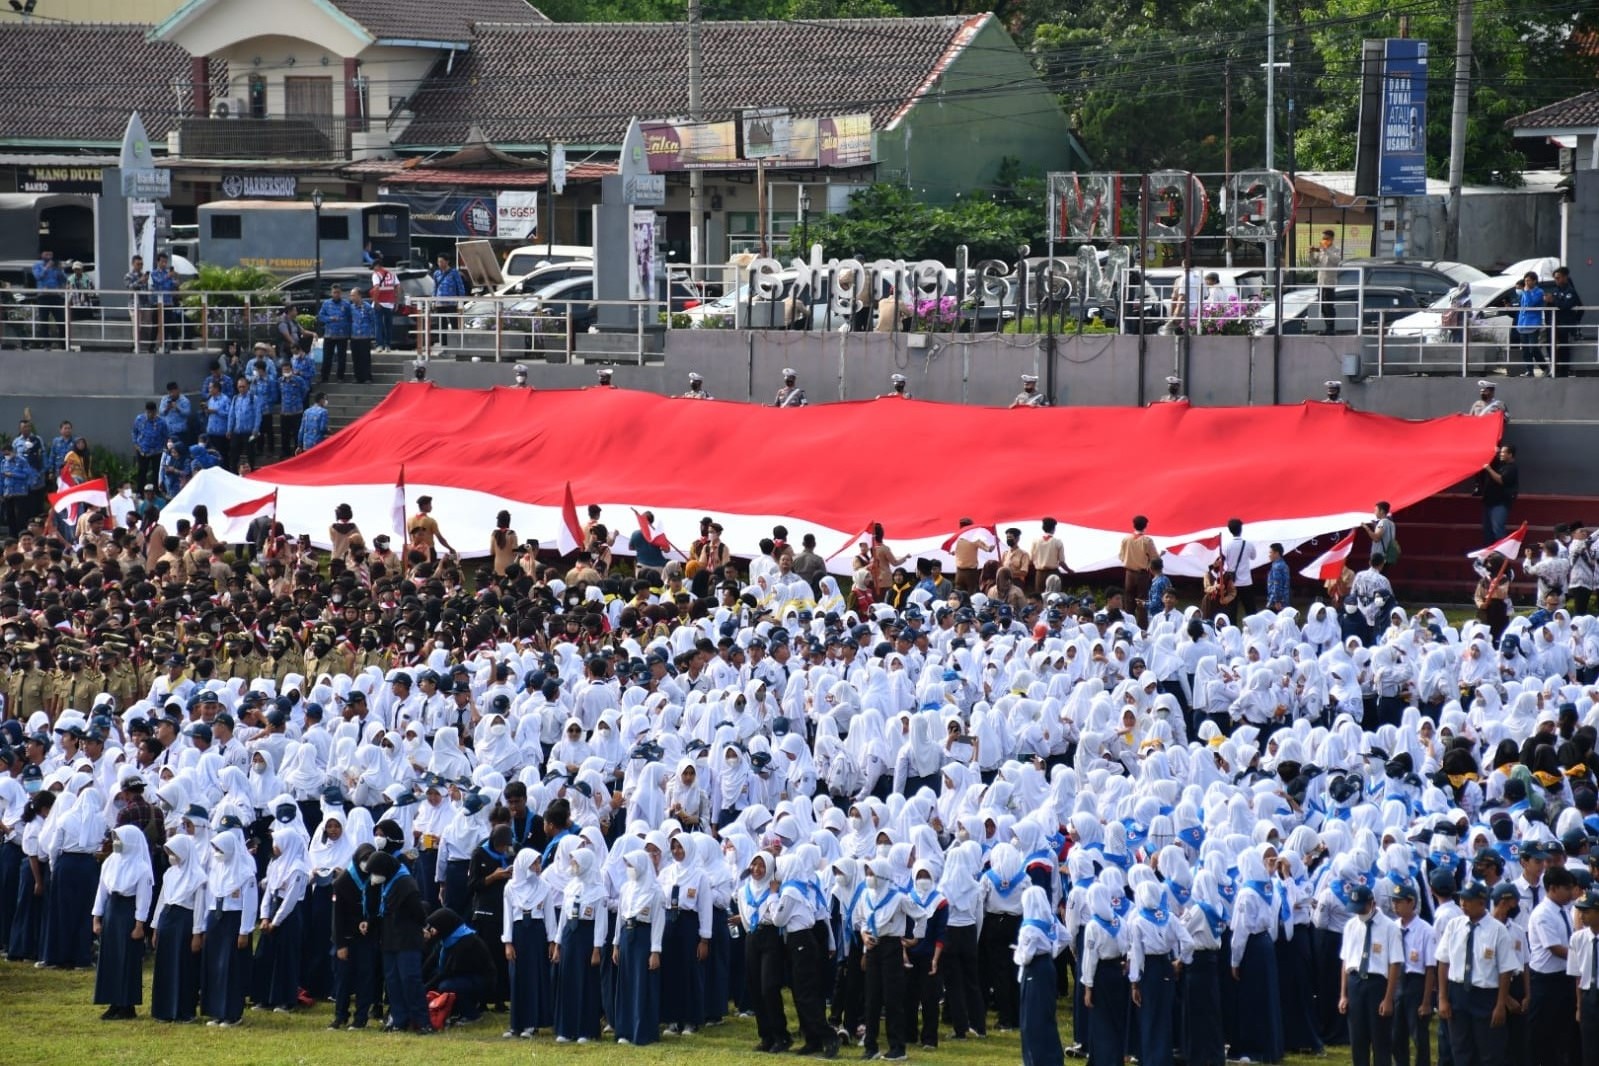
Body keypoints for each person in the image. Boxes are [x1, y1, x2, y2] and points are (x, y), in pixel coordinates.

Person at [1437, 881, 1517, 1066]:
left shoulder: (1498, 930)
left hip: (1485, 995)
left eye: (1468, 900)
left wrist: (1500, 1004)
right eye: (1461, 899)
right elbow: (1443, 961)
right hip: (1458, 992)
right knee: (1460, 1048)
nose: (1463, 904)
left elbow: (1506, 970)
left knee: (1488, 1051)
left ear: (1481, 902)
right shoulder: (1454, 925)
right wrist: (1442, 997)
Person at [92, 825, 154, 1020]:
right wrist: (97, 917)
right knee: (110, 957)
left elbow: (144, 899)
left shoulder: (142, 868)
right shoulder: (110, 861)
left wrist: (139, 924)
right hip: (112, 909)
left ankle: (127, 1005)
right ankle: (112, 1002)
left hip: (128, 913)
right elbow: (101, 891)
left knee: (127, 958)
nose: (116, 843)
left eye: (120, 839)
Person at [367, 849, 433, 1033]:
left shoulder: (406, 884)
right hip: (389, 938)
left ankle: (422, 1021)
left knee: (410, 979)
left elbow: (418, 913)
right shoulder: (387, 881)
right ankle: (399, 1019)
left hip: (407, 939)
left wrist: (425, 927)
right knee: (393, 981)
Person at [1339, 883, 1401, 1066]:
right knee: (1358, 1039)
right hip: (1355, 982)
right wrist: (1343, 994)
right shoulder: (1351, 925)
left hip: (1377, 984)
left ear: (1372, 904)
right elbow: (1346, 961)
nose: (1359, 913)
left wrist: (1388, 998)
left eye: (1362, 908)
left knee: (1380, 1039)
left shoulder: (1389, 927)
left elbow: (1394, 964)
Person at [150, 834, 208, 1023]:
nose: (171, 856)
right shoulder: (169, 873)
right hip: (168, 919)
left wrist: (197, 933)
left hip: (185, 921)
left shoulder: (198, 877)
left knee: (184, 966)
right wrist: (156, 927)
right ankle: (164, 1009)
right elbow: (161, 900)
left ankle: (184, 1010)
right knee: (165, 965)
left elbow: (199, 907)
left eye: (174, 852)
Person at [611, 848, 664, 1045]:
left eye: (632, 865)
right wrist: (616, 944)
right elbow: (619, 918)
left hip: (644, 937)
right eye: (628, 866)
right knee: (626, 983)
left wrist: (655, 950)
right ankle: (624, 1029)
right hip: (627, 934)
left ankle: (642, 1031)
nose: (629, 869)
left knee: (642, 984)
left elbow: (658, 921)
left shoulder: (655, 891)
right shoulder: (626, 888)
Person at [502, 848, 555, 1039]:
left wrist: (551, 940)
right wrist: (508, 942)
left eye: (539, 863)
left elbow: (549, 915)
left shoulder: (544, 887)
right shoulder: (510, 887)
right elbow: (507, 916)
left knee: (534, 976)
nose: (537, 868)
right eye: (534, 864)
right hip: (518, 933)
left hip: (536, 932)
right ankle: (516, 1023)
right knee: (517, 977)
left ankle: (532, 1023)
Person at [1016, 884, 1065, 1066]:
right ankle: (1053, 1058)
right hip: (1048, 967)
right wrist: (1052, 951)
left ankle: (1035, 1059)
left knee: (1031, 1019)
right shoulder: (1050, 920)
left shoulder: (1028, 927)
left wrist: (1018, 955)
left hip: (1034, 970)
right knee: (1046, 1015)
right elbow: (1065, 937)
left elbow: (1026, 956)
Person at [423, 906, 496, 1025]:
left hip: (481, 980)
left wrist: (424, 988)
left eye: (434, 928)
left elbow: (447, 972)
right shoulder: (447, 940)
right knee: (435, 976)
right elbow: (430, 962)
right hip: (463, 976)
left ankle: (472, 1015)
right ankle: (457, 1011)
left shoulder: (466, 942)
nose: (433, 932)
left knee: (446, 986)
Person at [1120, 515, 1157, 627]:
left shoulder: (1126, 539)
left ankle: (1128, 624)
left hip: (1129, 573)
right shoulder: (1147, 541)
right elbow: (1155, 558)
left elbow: (1121, 556)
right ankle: (1142, 626)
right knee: (1142, 601)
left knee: (1129, 600)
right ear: (1145, 526)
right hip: (1142, 574)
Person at [1546, 266, 1583, 375]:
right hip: (1554, 325)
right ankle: (1555, 370)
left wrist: (1554, 300)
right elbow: (1550, 307)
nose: (1556, 280)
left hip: (1565, 325)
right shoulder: (1556, 291)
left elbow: (1566, 305)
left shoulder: (1570, 291)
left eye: (1558, 278)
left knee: (1563, 348)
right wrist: (1549, 301)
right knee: (1552, 347)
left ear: (1565, 277)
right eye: (1555, 278)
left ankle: (1564, 372)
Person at [1479, 443, 1519, 544]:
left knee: (1498, 531)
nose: (1501, 454)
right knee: (1488, 532)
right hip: (1489, 503)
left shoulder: (1511, 468)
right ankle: (1490, 555)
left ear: (1510, 454)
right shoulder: (1500, 464)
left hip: (1500, 504)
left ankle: (1501, 556)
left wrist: (1489, 469)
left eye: (1503, 452)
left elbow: (1501, 480)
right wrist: (1494, 452)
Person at [1514, 272, 1549, 376]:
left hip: (1533, 324)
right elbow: (1522, 306)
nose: (1526, 283)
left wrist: (1527, 292)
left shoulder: (1539, 292)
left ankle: (1545, 367)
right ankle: (1529, 370)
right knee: (1525, 350)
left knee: (1533, 348)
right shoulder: (1524, 292)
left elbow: (1530, 303)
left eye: (1528, 280)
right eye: (1525, 280)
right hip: (1523, 324)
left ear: (1534, 281)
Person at [1310, 229, 1344, 335]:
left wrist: (1326, 250)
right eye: (1323, 238)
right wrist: (1311, 253)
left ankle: (1331, 328)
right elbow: (1313, 263)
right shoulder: (1321, 250)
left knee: (1328, 306)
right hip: (1320, 282)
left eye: (1326, 238)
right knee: (1322, 306)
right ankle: (1327, 327)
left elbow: (1336, 260)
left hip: (1329, 283)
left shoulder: (1336, 250)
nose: (1324, 240)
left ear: (1332, 239)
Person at [30, 248, 67, 345]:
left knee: (61, 320)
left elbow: (63, 280)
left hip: (56, 296)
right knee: (44, 321)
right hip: (43, 296)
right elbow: (38, 277)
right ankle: (46, 344)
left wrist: (60, 270)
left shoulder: (55, 266)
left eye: (50, 254)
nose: (49, 256)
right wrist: (46, 267)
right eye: (47, 254)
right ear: (42, 254)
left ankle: (63, 344)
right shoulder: (37, 265)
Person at [317, 284, 352, 383]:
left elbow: (350, 318)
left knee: (342, 357)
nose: (336, 294)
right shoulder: (326, 304)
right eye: (334, 292)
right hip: (329, 334)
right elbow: (321, 316)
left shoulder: (346, 304)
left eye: (338, 292)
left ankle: (340, 377)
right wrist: (329, 319)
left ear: (341, 293)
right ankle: (324, 377)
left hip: (342, 335)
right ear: (331, 293)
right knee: (327, 357)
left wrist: (348, 330)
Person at [431, 256, 467, 344]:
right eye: (438, 262)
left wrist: (461, 299)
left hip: (451, 302)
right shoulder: (436, 273)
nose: (440, 264)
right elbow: (435, 287)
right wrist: (433, 300)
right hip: (440, 303)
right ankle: (444, 344)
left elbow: (460, 286)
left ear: (447, 262)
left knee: (453, 322)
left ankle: (456, 343)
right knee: (442, 324)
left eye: (442, 261)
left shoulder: (454, 273)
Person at [150, 253, 181, 352]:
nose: (164, 264)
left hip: (168, 302)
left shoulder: (167, 273)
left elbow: (171, 285)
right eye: (162, 261)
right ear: (158, 262)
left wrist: (175, 281)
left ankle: (166, 345)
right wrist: (168, 276)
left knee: (168, 325)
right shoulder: (154, 273)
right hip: (157, 303)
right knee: (156, 325)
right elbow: (158, 282)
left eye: (165, 262)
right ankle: (151, 346)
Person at [370, 253, 398, 352]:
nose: (373, 269)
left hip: (380, 303)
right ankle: (388, 346)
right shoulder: (392, 274)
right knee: (388, 325)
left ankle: (379, 345)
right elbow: (397, 287)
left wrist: (375, 301)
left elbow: (376, 287)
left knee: (378, 324)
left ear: (377, 266)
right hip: (390, 303)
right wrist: (396, 302)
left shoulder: (376, 274)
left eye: (373, 267)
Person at [348, 288, 376, 384]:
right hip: (354, 336)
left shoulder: (367, 307)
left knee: (365, 358)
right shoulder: (351, 308)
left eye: (353, 295)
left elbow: (373, 321)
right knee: (356, 358)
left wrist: (372, 334)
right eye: (351, 295)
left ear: (359, 296)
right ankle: (357, 377)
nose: (352, 297)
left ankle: (367, 377)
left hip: (365, 336)